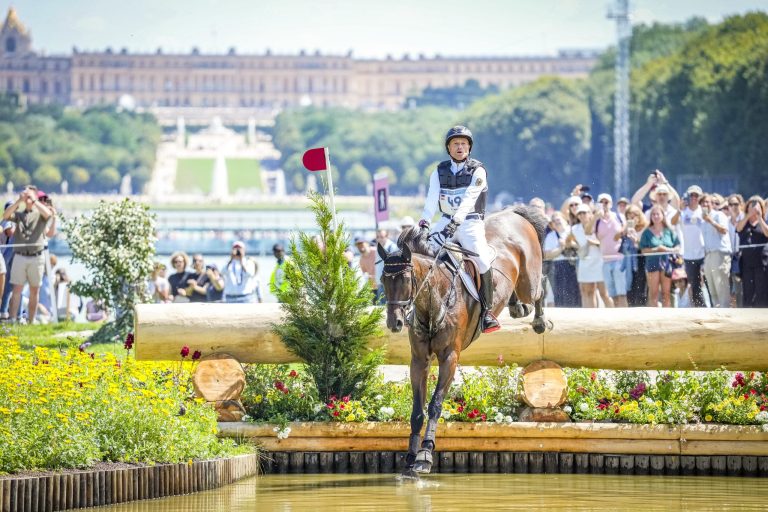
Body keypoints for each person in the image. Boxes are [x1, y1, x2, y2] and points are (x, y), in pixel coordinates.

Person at [417, 125, 499, 332]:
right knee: (424, 253)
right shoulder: (439, 171)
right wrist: (425, 222)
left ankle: (487, 312)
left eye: (463, 143)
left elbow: (470, 198)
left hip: (470, 222)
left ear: (469, 147)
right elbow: (431, 198)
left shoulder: (478, 170)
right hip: (445, 220)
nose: (460, 147)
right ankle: (416, 306)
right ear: (449, 148)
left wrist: (457, 220)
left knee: (481, 260)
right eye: (455, 143)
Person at [3, 186, 53, 324]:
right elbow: (6, 216)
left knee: (34, 291)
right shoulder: (19, 214)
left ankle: (31, 321)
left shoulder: (39, 214)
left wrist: (35, 201)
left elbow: (48, 215)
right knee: (17, 289)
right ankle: (13, 319)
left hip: (36, 256)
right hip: (20, 256)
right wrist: (19, 201)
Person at [640, 204, 681, 308]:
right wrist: (656, 249)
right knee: (653, 294)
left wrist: (667, 250)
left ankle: (666, 318)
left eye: (658, 214)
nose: (655, 216)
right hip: (652, 264)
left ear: (663, 215)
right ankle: (654, 318)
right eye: (653, 214)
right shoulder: (646, 232)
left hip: (667, 265)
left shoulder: (669, 231)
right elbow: (643, 250)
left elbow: (678, 246)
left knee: (666, 293)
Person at [589, 193, 626, 307]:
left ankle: (626, 316)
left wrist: (620, 233)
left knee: (621, 292)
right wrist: (595, 217)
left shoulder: (618, 216)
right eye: (602, 202)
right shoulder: (597, 220)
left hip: (619, 258)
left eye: (606, 202)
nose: (604, 204)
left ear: (611, 204)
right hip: (605, 260)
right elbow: (588, 231)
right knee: (612, 293)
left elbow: (626, 228)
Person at [572, 204, 610, 308]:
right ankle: (590, 317)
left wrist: (596, 243)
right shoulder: (575, 228)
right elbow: (577, 242)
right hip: (585, 261)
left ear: (590, 213)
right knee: (588, 291)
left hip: (600, 261)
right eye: (579, 213)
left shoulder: (599, 224)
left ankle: (614, 317)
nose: (582, 215)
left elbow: (604, 241)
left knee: (604, 293)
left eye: (584, 212)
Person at [699, 193, 732, 308]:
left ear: (712, 203)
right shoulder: (702, 222)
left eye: (707, 202)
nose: (705, 204)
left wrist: (710, 221)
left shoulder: (719, 215)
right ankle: (718, 316)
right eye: (702, 203)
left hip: (720, 254)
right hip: (708, 256)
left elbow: (724, 230)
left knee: (721, 288)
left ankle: (726, 317)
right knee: (712, 290)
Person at [542, 212, 580, 307]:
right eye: (554, 221)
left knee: (575, 292)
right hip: (557, 265)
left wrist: (570, 243)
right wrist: (561, 248)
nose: (557, 222)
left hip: (574, 265)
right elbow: (547, 255)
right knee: (560, 293)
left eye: (559, 219)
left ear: (565, 220)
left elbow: (581, 246)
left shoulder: (573, 231)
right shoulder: (551, 236)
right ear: (552, 225)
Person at [736, 196, 768, 307]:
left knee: (761, 290)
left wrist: (759, 218)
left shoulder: (763, 222)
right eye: (751, 207)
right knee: (748, 290)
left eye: (757, 207)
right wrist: (748, 215)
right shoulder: (744, 222)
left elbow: (767, 233)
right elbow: (738, 228)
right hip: (747, 263)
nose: (754, 209)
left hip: (762, 263)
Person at [680, 185, 707, 307]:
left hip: (704, 253)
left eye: (696, 195)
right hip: (689, 254)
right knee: (694, 284)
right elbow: (673, 222)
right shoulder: (683, 211)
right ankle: (699, 308)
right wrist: (679, 209)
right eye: (692, 195)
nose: (694, 198)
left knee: (705, 281)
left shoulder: (703, 211)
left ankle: (709, 306)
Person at [620, 204, 648, 307]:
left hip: (642, 260)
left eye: (635, 214)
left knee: (641, 288)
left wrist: (636, 240)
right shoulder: (626, 228)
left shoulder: (646, 227)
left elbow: (646, 245)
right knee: (630, 288)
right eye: (629, 215)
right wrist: (626, 228)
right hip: (629, 261)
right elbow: (616, 238)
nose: (632, 217)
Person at [726, 194, 745, 307]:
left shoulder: (744, 218)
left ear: (741, 205)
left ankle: (742, 308)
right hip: (729, 255)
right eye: (731, 204)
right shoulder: (727, 220)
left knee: (740, 286)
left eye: (736, 204)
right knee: (731, 287)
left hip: (741, 255)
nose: (733, 206)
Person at [374, 229, 397, 305]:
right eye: (378, 237)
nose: (379, 239)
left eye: (381, 236)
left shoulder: (392, 247)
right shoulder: (378, 247)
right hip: (380, 283)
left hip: (389, 284)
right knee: (381, 309)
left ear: (387, 236)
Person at [354, 236, 377, 302]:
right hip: (372, 287)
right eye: (358, 245)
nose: (360, 247)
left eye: (362, 244)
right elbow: (364, 273)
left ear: (367, 244)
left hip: (382, 284)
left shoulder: (375, 251)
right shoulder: (361, 259)